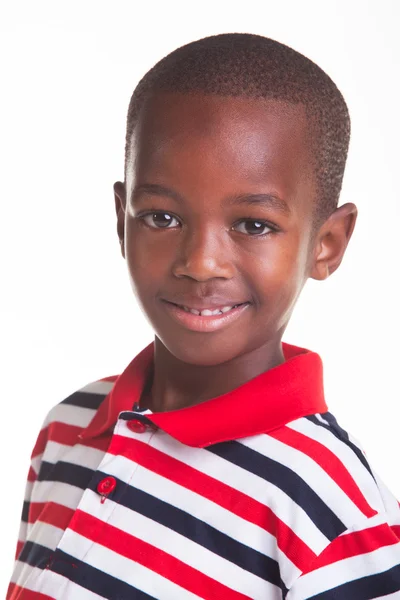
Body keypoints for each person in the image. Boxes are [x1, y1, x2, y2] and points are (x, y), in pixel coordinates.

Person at [7, 32, 400, 600]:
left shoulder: (335, 516)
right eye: (162, 217)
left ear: (327, 243)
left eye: (253, 225)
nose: (200, 263)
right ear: (122, 220)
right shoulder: (68, 426)